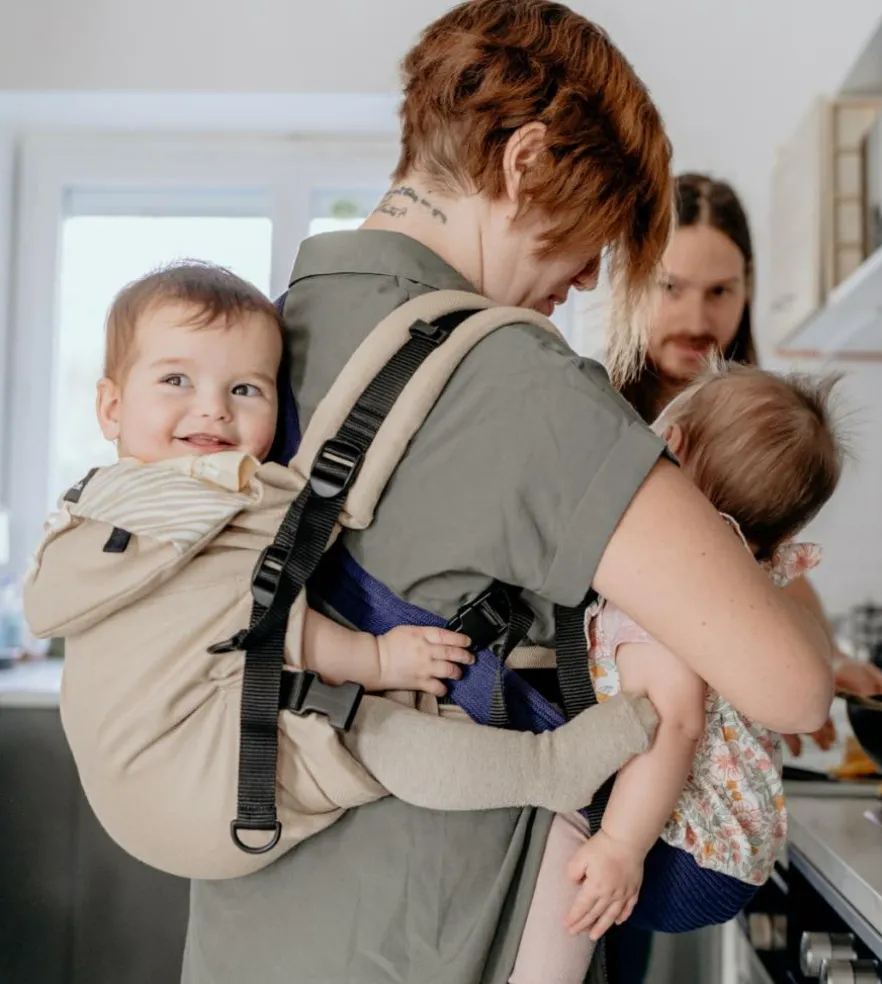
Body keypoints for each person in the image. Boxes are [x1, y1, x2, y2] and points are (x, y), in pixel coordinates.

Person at [180, 4, 833, 983]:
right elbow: (792, 684)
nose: (578, 283)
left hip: (249, 904)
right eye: (589, 241)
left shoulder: (272, 331)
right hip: (427, 934)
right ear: (523, 161)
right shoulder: (524, 387)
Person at [24, 260, 661, 880]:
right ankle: (548, 769)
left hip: (145, 801)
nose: (213, 409)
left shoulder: (93, 514)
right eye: (176, 381)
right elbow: (255, 622)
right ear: (109, 407)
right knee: (374, 737)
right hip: (203, 780)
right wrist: (378, 662)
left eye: (245, 389)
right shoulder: (177, 506)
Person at [510, 359, 844, 983]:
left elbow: (678, 721)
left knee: (548, 800)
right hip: (709, 843)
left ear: (670, 444)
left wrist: (620, 846)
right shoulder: (742, 577)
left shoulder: (677, 589)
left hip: (685, 852)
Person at [617, 172, 882, 759]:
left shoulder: (760, 422)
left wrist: (832, 660)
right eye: (672, 287)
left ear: (747, 292)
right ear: (634, 282)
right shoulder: (597, 416)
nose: (697, 318)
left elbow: (773, 568)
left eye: (719, 292)